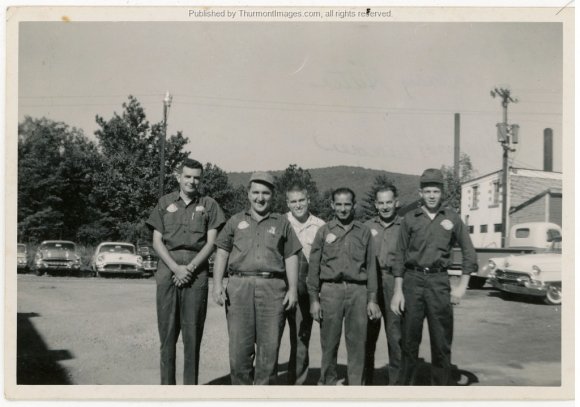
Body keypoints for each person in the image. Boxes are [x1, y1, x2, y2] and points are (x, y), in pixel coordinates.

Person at [212, 172, 302, 385]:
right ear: (248, 194)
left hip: (273, 289)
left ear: (272, 195)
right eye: (256, 193)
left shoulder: (282, 223)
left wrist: (293, 289)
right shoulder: (235, 221)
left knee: (268, 353)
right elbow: (222, 252)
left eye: (265, 193)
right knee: (239, 352)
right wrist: (217, 284)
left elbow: (291, 256)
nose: (260, 198)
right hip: (239, 288)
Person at [390, 168, 477, 386]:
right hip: (412, 282)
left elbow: (469, 253)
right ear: (420, 193)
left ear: (442, 193)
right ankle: (404, 394)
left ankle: (440, 393)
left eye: (435, 191)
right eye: (427, 191)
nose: (431, 195)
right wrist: (398, 292)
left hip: (439, 283)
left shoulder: (452, 219)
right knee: (409, 343)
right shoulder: (409, 219)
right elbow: (399, 255)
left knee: (441, 343)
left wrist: (461, 286)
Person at [146, 158, 226, 385]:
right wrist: (175, 268)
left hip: (196, 273)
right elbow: (156, 241)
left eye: (197, 177)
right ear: (179, 177)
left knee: (192, 338)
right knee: (167, 337)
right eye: (188, 176)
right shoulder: (164, 203)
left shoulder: (209, 205)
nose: (192, 181)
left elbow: (211, 243)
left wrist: (189, 269)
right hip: (167, 272)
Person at [307, 187, 381, 385]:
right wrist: (314, 300)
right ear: (332, 205)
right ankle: (328, 384)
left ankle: (356, 388)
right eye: (338, 204)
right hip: (330, 291)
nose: (343, 209)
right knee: (329, 344)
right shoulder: (323, 232)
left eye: (347, 204)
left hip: (358, 292)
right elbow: (313, 268)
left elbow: (372, 268)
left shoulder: (364, 232)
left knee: (358, 345)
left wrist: (372, 299)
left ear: (353, 205)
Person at [283, 185, 325, 385]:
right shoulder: (280, 222)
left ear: (309, 200)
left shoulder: (320, 226)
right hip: (279, 286)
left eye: (301, 200)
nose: (298, 205)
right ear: (287, 203)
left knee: (300, 339)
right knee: (269, 338)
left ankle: (296, 386)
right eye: (293, 201)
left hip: (305, 290)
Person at [363, 185, 403, 385]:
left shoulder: (405, 227)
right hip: (371, 283)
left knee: (395, 338)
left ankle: (396, 387)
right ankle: (365, 384)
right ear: (375, 204)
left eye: (389, 202)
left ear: (397, 202)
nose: (385, 206)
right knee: (367, 337)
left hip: (395, 283)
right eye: (381, 203)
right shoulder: (366, 227)